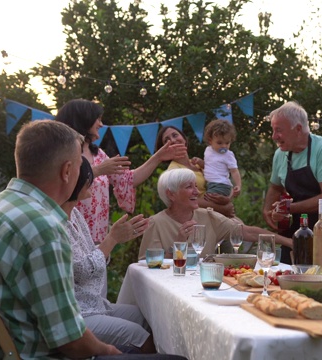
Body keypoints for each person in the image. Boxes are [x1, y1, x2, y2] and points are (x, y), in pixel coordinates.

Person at [0, 121, 121, 358]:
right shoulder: (43, 227)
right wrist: (111, 351)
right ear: (67, 171)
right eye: (79, 165)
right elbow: (71, 341)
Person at [56, 99, 186, 244]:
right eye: (97, 119)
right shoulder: (63, 152)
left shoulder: (98, 154)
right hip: (69, 237)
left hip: (98, 240)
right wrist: (98, 170)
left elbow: (128, 179)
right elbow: (62, 184)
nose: (101, 124)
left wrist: (158, 157)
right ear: (83, 120)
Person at [63, 157, 157, 353]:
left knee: (150, 317)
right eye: (89, 175)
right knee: (141, 336)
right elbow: (80, 272)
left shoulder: (75, 214)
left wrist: (114, 240)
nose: (94, 180)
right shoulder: (57, 220)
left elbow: (91, 254)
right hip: (79, 312)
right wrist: (111, 240)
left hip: (94, 304)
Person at [138, 168, 292, 260]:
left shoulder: (208, 217)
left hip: (206, 286)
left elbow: (248, 232)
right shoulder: (155, 223)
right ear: (171, 194)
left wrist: (289, 242)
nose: (197, 192)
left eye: (196, 186)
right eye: (189, 187)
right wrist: (178, 245)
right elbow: (147, 268)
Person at [262, 101, 322, 264]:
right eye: (273, 130)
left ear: (298, 129)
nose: (274, 136)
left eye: (279, 130)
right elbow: (275, 186)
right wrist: (268, 211)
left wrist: (288, 208)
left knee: (320, 272)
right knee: (286, 268)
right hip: (301, 224)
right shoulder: (280, 154)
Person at [156, 125, 235, 218]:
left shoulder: (199, 164)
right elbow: (182, 200)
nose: (173, 140)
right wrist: (222, 209)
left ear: (184, 139)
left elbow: (224, 181)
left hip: (220, 215)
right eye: (166, 140)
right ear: (164, 149)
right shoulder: (174, 171)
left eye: (175, 135)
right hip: (200, 218)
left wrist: (227, 199)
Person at [202, 119, 242, 198]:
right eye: (219, 143)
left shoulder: (228, 155)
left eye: (227, 143)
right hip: (210, 184)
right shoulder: (208, 150)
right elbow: (208, 164)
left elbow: (234, 171)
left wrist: (238, 185)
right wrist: (199, 162)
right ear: (210, 141)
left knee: (208, 201)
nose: (224, 146)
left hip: (221, 184)